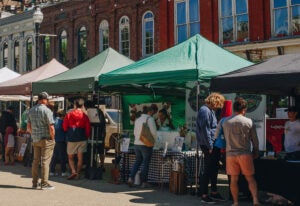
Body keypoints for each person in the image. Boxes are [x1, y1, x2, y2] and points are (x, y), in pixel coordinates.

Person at [222, 97, 260, 206]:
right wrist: (256, 150)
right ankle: (255, 200)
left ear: (234, 108)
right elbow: (254, 139)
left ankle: (235, 202)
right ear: (244, 109)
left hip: (230, 155)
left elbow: (224, 138)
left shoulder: (226, 122)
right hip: (245, 153)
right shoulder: (249, 121)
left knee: (233, 180)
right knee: (250, 178)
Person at [196, 92, 225, 203]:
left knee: (214, 168)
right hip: (209, 144)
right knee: (208, 169)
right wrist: (210, 146)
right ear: (215, 101)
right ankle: (203, 194)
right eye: (219, 103)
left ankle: (213, 191)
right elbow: (205, 130)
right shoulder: (205, 110)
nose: (219, 106)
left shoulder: (209, 110)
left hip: (213, 143)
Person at [27, 92, 55, 190]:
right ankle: (44, 183)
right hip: (46, 139)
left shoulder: (31, 110)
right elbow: (51, 127)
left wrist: (34, 135)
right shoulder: (47, 111)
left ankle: (35, 183)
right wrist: (52, 138)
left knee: (35, 161)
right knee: (45, 162)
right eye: (47, 99)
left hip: (35, 139)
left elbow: (28, 127)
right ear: (43, 100)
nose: (47, 101)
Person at [127, 106, 157, 188]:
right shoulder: (149, 119)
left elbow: (134, 132)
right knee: (145, 163)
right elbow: (154, 132)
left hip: (137, 143)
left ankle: (131, 178)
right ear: (149, 112)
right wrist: (154, 141)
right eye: (152, 112)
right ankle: (144, 182)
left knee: (138, 161)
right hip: (146, 144)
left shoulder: (138, 119)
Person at [63, 99, 91, 180]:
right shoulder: (85, 116)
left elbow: (64, 128)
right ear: (82, 106)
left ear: (75, 105)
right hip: (82, 139)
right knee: (80, 158)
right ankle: (78, 174)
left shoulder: (69, 115)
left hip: (71, 139)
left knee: (70, 157)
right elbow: (88, 129)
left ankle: (73, 171)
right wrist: (86, 136)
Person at [84, 100, 106, 171]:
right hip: (97, 134)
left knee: (99, 150)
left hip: (97, 134)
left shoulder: (95, 112)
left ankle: (100, 165)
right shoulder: (99, 111)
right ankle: (97, 164)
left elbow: (101, 123)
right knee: (98, 150)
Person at [50, 110, 67, 177]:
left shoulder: (54, 121)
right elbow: (65, 130)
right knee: (62, 157)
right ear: (63, 116)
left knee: (54, 157)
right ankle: (63, 171)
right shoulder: (62, 122)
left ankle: (52, 171)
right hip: (61, 140)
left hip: (55, 140)